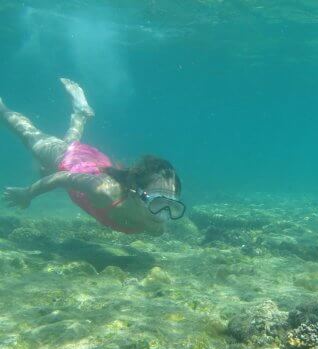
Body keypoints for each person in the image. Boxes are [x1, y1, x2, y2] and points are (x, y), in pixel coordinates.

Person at [0, 78, 185, 235]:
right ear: (135, 194)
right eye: (157, 203)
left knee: (67, 145)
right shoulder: (103, 192)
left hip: (94, 162)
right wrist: (27, 194)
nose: (164, 214)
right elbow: (62, 177)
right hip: (72, 162)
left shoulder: (155, 223)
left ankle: (80, 114)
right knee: (28, 135)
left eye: (171, 206)